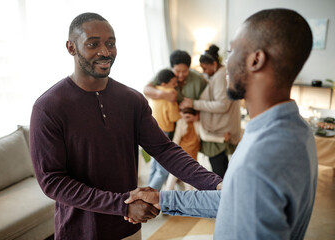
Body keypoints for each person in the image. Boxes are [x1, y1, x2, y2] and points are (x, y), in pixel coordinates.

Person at [126, 8, 318, 239]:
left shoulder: (264, 155)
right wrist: (163, 199)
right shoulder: (296, 128)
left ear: (256, 60)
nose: (225, 63)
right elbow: (233, 202)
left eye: (231, 51)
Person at [29, 12, 222, 240]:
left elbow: (164, 149)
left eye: (111, 43)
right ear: (71, 47)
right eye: (93, 44)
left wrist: (216, 185)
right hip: (80, 231)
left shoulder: (131, 99)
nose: (105, 51)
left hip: (129, 228)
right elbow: (52, 181)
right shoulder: (48, 107)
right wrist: (123, 205)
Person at [181, 44, 241, 178]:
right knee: (221, 167)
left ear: (214, 64)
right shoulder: (218, 75)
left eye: (205, 68)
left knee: (219, 171)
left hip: (220, 130)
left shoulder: (220, 77)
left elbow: (222, 105)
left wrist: (194, 104)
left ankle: (221, 196)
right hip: (219, 128)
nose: (204, 71)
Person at [147, 69, 181, 191]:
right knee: (163, 170)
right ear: (164, 84)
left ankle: (146, 190)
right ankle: (149, 197)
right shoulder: (171, 93)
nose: (176, 85)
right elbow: (174, 117)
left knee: (154, 166)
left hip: (151, 130)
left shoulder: (155, 91)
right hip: (164, 133)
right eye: (173, 83)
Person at [143, 50, 208, 104]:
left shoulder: (198, 79)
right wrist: (163, 94)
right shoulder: (164, 74)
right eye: (177, 71)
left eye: (185, 71)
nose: (181, 75)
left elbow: (204, 102)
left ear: (189, 68)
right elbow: (146, 89)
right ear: (171, 68)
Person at [165, 107, 200, 191]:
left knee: (189, 181)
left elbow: (205, 136)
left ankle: (188, 201)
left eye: (188, 117)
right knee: (172, 179)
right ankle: (163, 199)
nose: (186, 119)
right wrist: (171, 153)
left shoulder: (197, 124)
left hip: (192, 156)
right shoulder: (181, 123)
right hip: (180, 155)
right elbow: (176, 139)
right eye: (184, 117)